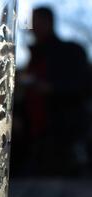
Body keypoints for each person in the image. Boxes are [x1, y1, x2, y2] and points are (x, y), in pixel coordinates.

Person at [19, 7, 90, 176]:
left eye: (36, 21)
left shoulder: (70, 51)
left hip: (63, 137)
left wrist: (51, 88)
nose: (32, 27)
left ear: (48, 22)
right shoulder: (34, 56)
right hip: (33, 139)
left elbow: (84, 85)